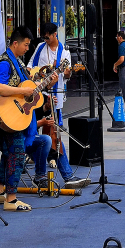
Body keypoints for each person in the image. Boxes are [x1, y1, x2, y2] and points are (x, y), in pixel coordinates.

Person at [0, 27, 57, 212]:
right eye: (26, 44)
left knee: (8, 154)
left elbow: (29, 86)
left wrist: (47, 82)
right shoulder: (5, 63)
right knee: (17, 154)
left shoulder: (17, 62)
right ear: (15, 43)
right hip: (8, 115)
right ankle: (10, 199)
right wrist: (23, 91)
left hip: (13, 116)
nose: (28, 48)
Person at [29, 22, 90, 190]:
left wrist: (68, 72)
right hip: (38, 96)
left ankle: (52, 173)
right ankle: (64, 175)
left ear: (55, 34)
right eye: (44, 37)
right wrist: (39, 77)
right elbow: (30, 68)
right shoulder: (40, 48)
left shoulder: (64, 53)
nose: (46, 39)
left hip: (54, 99)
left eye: (48, 36)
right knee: (51, 134)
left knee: (54, 134)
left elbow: (67, 74)